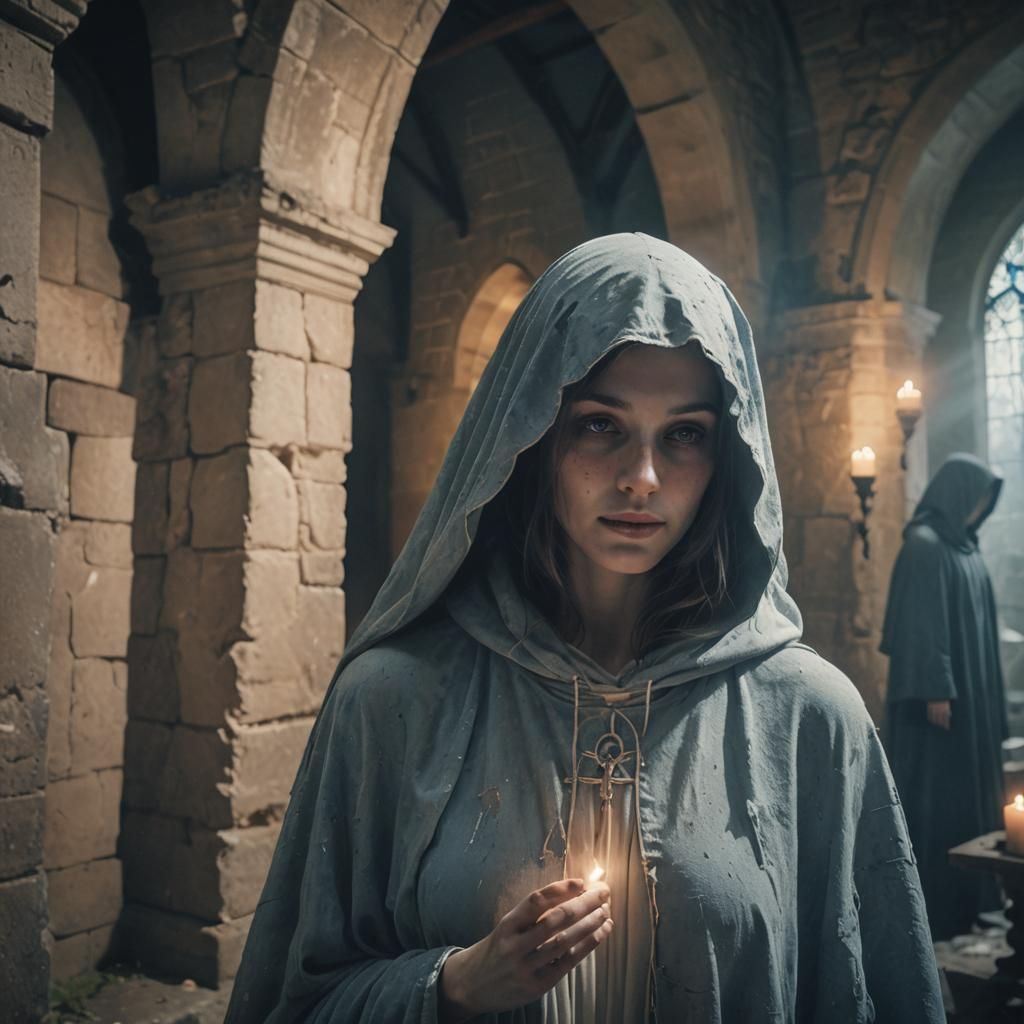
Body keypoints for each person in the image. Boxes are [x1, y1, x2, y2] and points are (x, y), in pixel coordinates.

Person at [225, 234, 944, 1023]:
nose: (642, 477)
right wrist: (456, 987)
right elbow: (295, 1002)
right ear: (531, 437)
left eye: (684, 434)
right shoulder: (392, 700)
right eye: (601, 425)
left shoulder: (813, 718)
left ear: (727, 457)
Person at [881, 453, 1009, 940]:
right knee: (937, 798)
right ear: (956, 493)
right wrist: (936, 687)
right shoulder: (925, 546)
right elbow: (921, 624)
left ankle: (974, 895)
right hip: (936, 706)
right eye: (975, 497)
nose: (979, 509)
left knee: (968, 797)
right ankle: (937, 901)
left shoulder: (962, 547)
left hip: (969, 702)